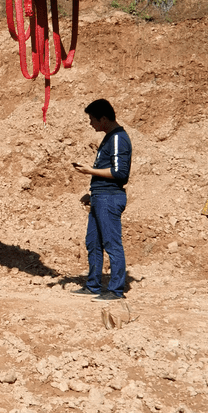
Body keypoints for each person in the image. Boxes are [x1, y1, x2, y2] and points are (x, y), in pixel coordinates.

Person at [70, 99, 131, 300]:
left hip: (109, 198)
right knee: (93, 242)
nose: (90, 123)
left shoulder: (117, 138)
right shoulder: (109, 137)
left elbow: (120, 173)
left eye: (92, 119)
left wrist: (90, 171)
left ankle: (115, 290)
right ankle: (93, 285)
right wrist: (93, 192)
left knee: (112, 244)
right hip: (101, 196)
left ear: (103, 119)